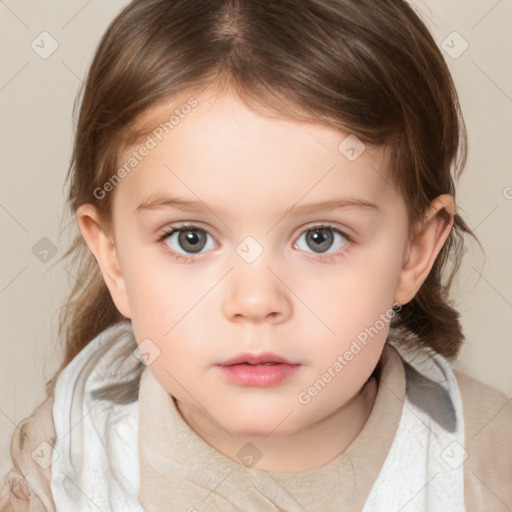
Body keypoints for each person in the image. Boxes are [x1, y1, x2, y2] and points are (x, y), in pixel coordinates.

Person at [1, 0, 511, 511]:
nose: (255, 300)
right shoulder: (65, 461)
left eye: (320, 238)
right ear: (112, 258)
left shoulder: (486, 462)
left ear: (412, 253)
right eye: (190, 238)